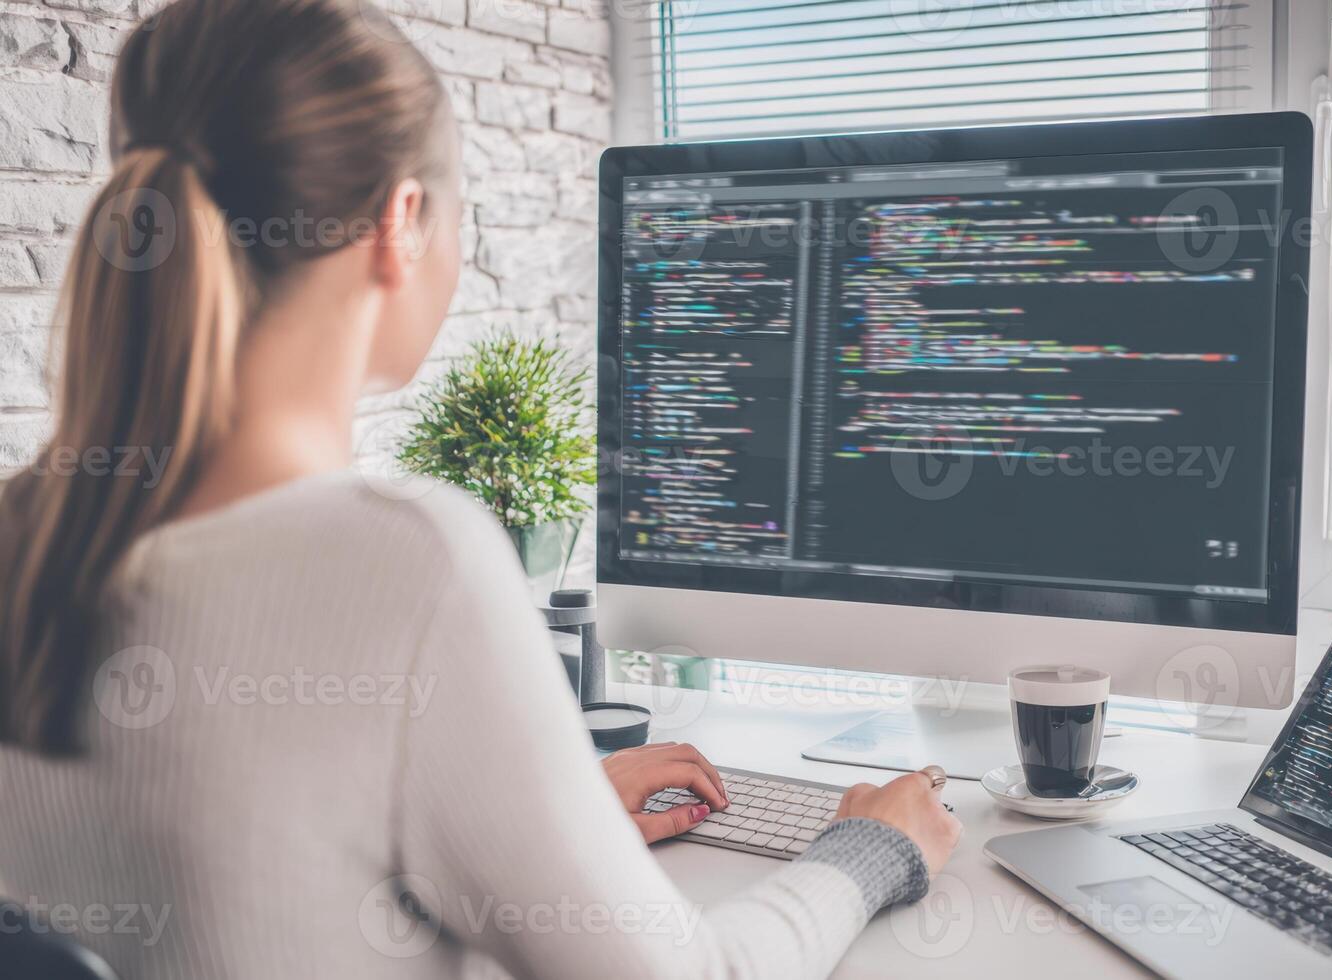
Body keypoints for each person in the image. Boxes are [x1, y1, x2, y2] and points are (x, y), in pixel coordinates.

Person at [0, 1, 961, 977]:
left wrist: (543, 812)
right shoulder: (402, 556)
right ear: (400, 222)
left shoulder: (18, 532)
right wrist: (872, 850)